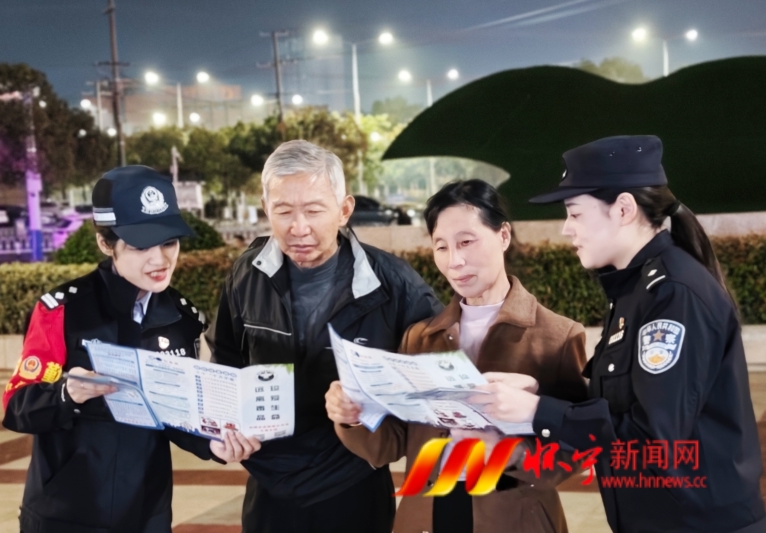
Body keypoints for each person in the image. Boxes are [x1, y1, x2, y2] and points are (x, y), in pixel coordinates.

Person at [479, 135, 765, 533]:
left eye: (575, 214)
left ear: (624, 209)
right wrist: (539, 395)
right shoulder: (636, 289)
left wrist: (536, 412)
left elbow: (653, 440)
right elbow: (625, 406)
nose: (566, 229)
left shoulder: (672, 294)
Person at [325, 179, 589, 533]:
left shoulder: (558, 336)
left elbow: (577, 447)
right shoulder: (421, 338)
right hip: (429, 514)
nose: (455, 261)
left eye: (466, 242)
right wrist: (355, 416)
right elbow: (392, 444)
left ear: (503, 235)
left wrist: (511, 451)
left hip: (514, 519)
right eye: (442, 246)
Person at [206, 140, 442, 533]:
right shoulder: (245, 275)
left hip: (354, 481)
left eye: (314, 211)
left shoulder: (393, 283)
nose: (299, 228)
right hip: (270, 482)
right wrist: (226, 425)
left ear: (344, 209)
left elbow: (434, 370)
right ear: (266, 208)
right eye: (283, 211)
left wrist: (369, 403)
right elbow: (226, 360)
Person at [2, 166, 254, 533]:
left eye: (169, 242)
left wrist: (213, 445)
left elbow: (176, 414)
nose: (160, 259)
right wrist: (68, 393)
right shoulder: (62, 312)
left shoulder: (182, 319)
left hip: (146, 516)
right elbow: (17, 408)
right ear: (106, 244)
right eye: (140, 246)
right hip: (64, 515)